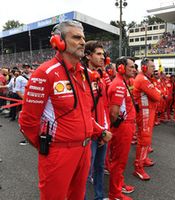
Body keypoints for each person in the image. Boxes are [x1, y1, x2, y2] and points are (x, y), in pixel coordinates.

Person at [18, 20, 108, 200]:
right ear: (58, 41)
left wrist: (99, 131)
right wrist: (48, 148)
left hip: (84, 150)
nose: (82, 41)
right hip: (58, 153)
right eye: (76, 37)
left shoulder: (83, 73)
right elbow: (27, 122)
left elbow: (82, 113)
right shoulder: (45, 73)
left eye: (83, 37)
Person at [83, 40, 112, 200]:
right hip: (90, 133)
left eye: (103, 54)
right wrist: (99, 132)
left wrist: (105, 129)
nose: (103, 57)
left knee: (100, 168)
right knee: (86, 172)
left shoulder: (100, 76)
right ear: (88, 55)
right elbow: (84, 111)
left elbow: (104, 106)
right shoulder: (81, 77)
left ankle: (99, 197)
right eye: (99, 54)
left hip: (102, 131)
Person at [107, 56, 137, 200]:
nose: (134, 69)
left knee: (121, 161)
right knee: (118, 161)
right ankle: (115, 193)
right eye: (131, 66)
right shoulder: (119, 84)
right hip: (122, 127)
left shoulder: (123, 82)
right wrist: (120, 128)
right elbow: (114, 113)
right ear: (121, 68)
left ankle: (119, 184)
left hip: (126, 126)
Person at [133, 58, 161, 181]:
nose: (153, 69)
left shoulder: (146, 79)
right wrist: (157, 91)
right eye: (151, 67)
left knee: (146, 138)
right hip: (145, 113)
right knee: (144, 139)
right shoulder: (142, 79)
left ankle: (143, 159)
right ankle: (138, 168)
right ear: (144, 67)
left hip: (148, 112)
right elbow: (157, 96)